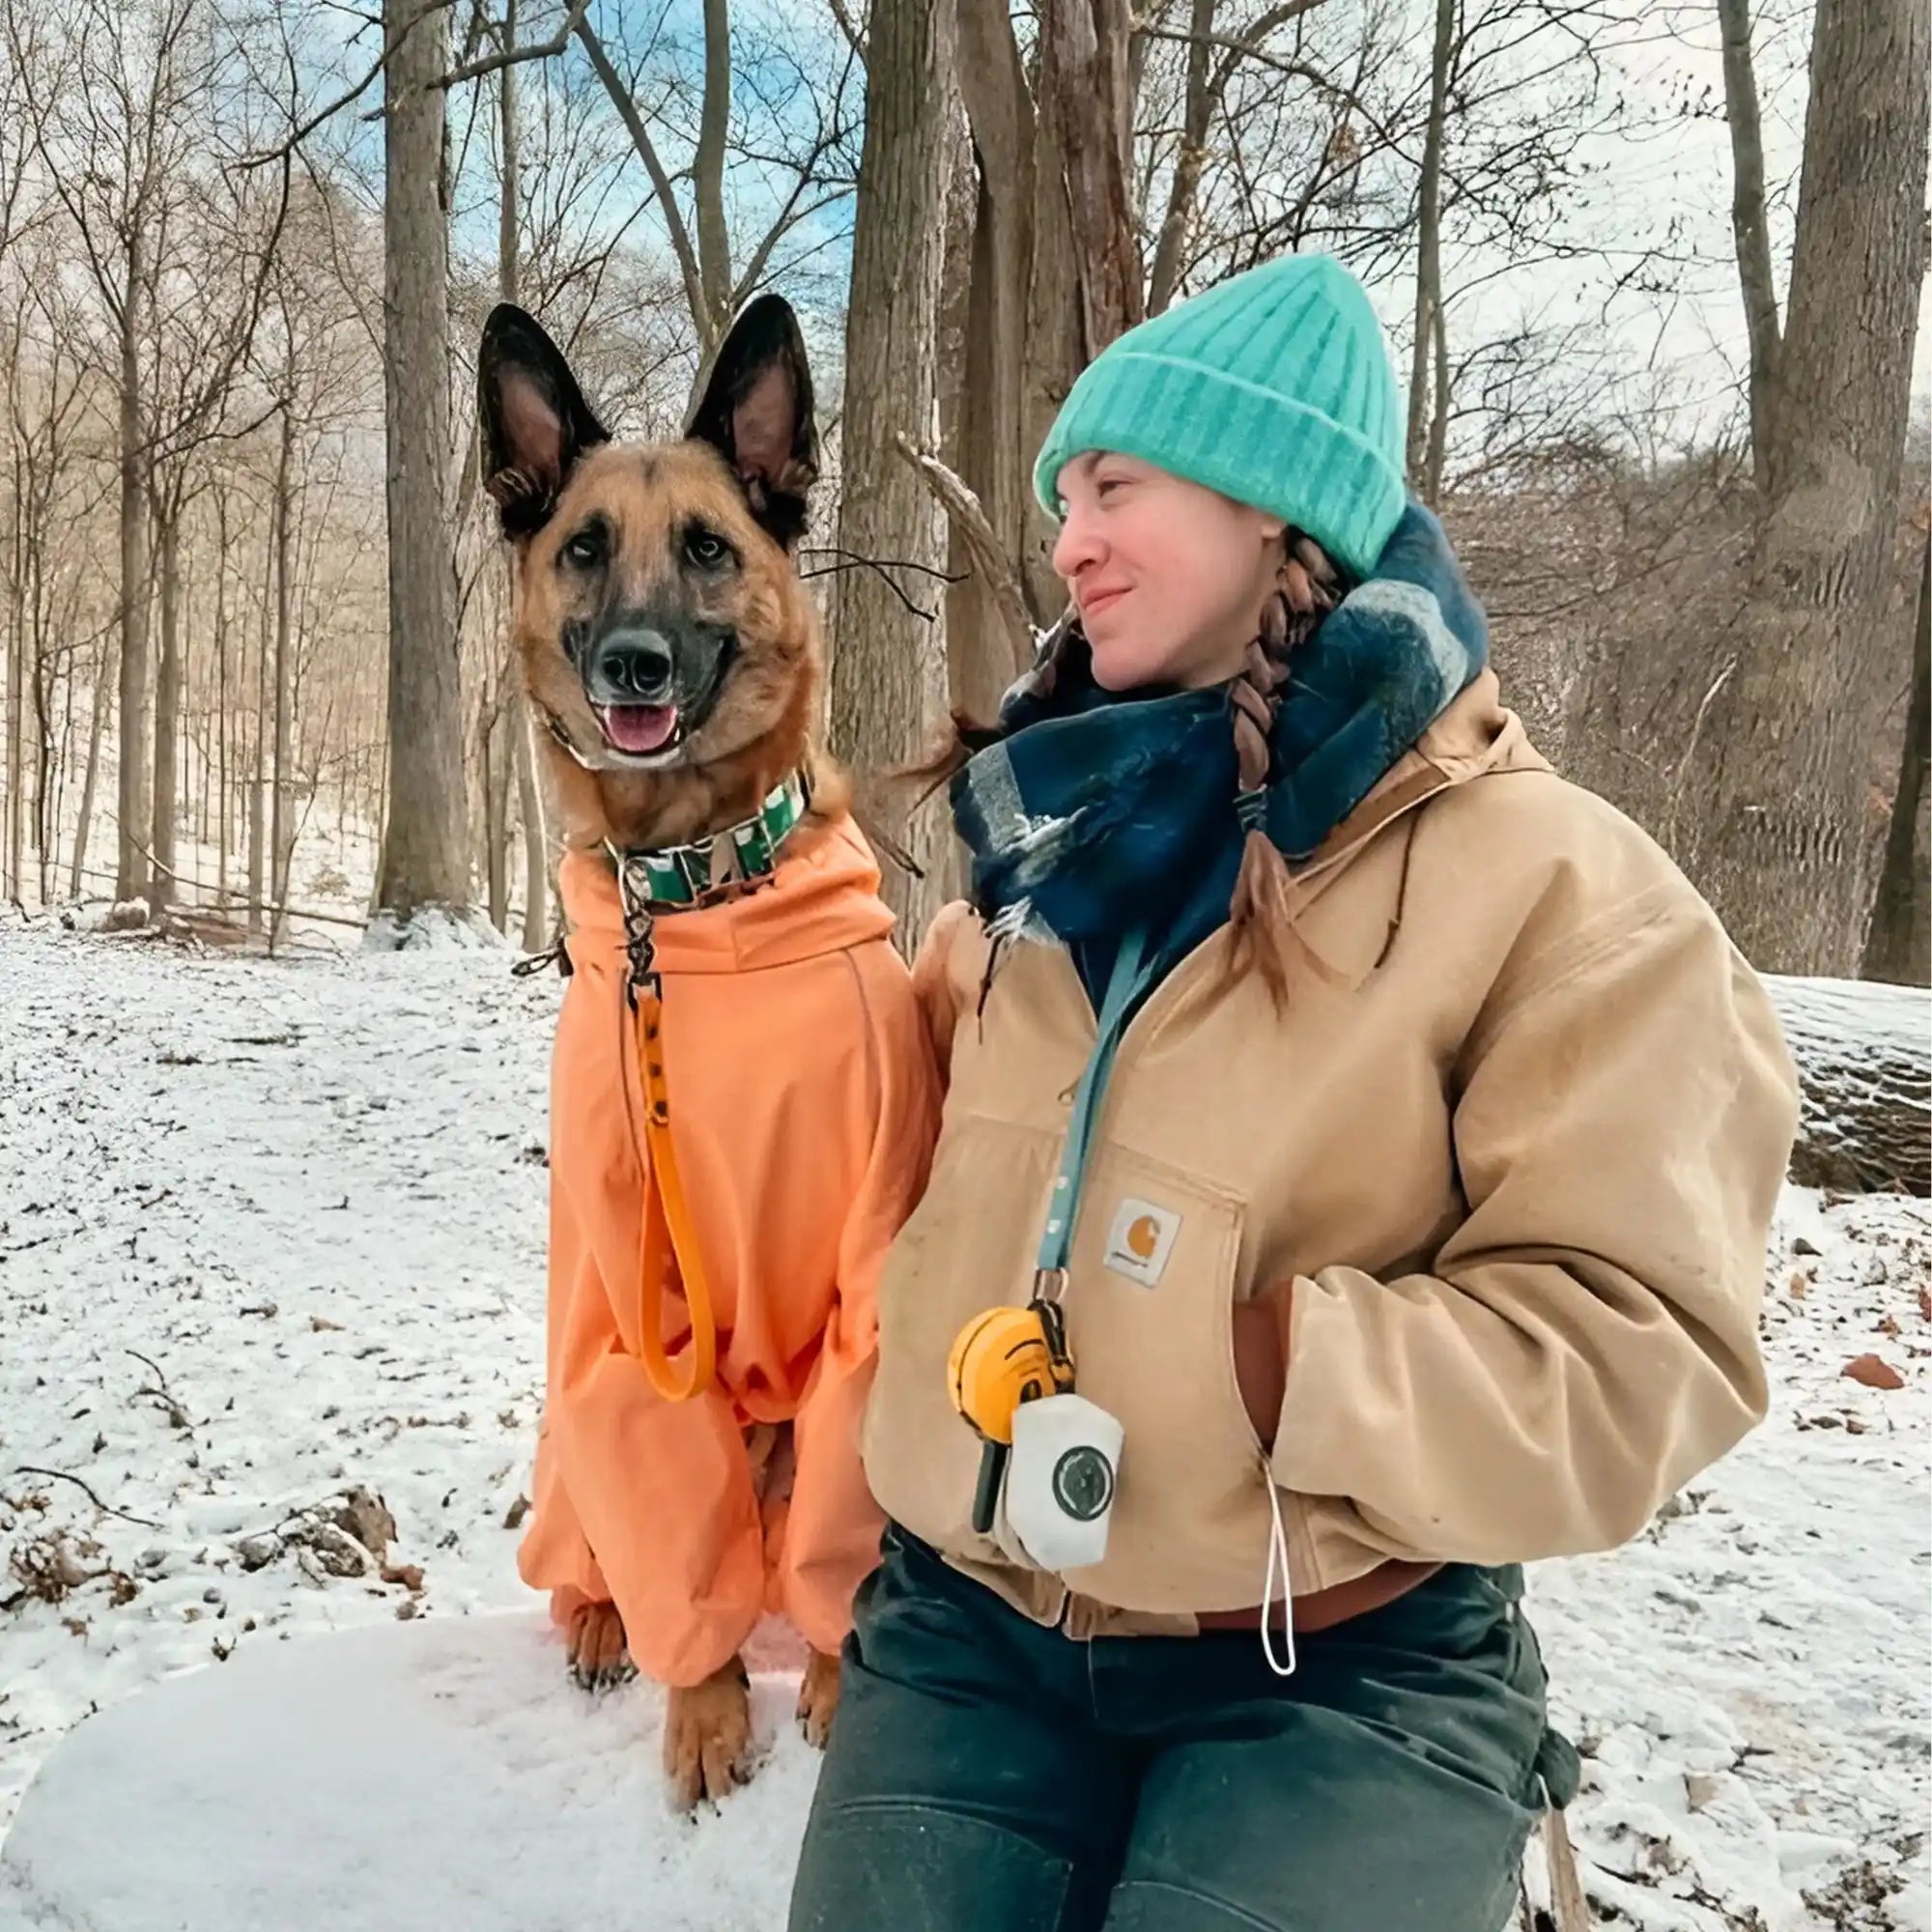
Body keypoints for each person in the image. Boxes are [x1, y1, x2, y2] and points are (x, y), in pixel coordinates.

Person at [786, 252, 1800, 1932]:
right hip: (970, 1618)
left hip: (1340, 1659)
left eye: (1114, 483)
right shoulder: (1044, 847)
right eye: (1061, 498)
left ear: (1273, 510)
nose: (1067, 539)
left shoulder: (1561, 892)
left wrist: (1275, 1369)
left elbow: (1648, 1352)